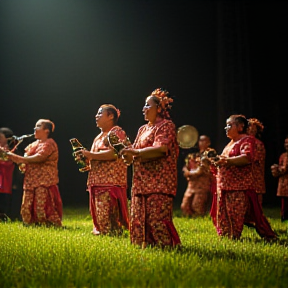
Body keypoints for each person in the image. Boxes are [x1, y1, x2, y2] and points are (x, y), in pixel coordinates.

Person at [121, 88, 181, 249]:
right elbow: (133, 152)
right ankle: (144, 247)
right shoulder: (143, 129)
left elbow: (161, 149)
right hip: (141, 182)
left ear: (159, 109)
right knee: (139, 217)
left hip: (159, 180)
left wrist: (135, 152)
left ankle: (167, 247)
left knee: (156, 218)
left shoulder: (166, 126)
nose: (143, 109)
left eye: (148, 105)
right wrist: (126, 154)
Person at [213, 114, 277, 241]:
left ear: (241, 127)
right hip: (225, 186)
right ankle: (226, 240)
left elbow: (246, 158)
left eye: (229, 125)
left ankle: (234, 239)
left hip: (238, 187)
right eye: (226, 125)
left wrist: (227, 161)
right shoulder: (230, 143)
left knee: (235, 214)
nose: (226, 128)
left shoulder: (247, 140)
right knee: (224, 215)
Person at [79, 104, 129, 236]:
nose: (96, 116)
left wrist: (90, 155)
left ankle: (113, 234)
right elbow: (95, 157)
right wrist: (86, 158)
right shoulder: (99, 136)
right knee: (99, 217)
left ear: (111, 116)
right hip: (97, 180)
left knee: (109, 218)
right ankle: (104, 233)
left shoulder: (116, 132)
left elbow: (114, 154)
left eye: (100, 113)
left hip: (110, 181)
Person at [2, 119, 63, 227]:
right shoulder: (33, 144)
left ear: (46, 131)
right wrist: (6, 154)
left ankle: (49, 225)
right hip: (30, 181)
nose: (35, 129)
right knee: (26, 207)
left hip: (44, 181)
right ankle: (32, 225)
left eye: (38, 126)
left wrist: (18, 158)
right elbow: (21, 159)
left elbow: (39, 158)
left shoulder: (49, 143)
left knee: (41, 207)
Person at [180, 135, 215, 217]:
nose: (201, 142)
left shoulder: (210, 154)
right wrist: (187, 171)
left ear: (208, 142)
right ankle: (190, 222)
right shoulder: (194, 155)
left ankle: (200, 221)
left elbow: (201, 170)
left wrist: (189, 173)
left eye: (204, 140)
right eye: (200, 140)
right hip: (192, 184)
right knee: (185, 206)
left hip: (203, 184)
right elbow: (185, 167)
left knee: (197, 206)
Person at [247, 118, 266, 207]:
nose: (251, 129)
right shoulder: (242, 142)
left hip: (255, 177)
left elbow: (255, 159)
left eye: (254, 128)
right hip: (245, 178)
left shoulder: (258, 144)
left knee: (256, 203)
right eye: (250, 126)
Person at [271, 135, 288, 222]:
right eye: (285, 143)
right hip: (283, 182)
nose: (286, 144)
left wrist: (278, 168)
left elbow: (284, 168)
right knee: (284, 202)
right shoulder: (283, 155)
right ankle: (284, 217)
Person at [0, 127, 15, 221]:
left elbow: (8, 163)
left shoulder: (12, 151)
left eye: (0, 137)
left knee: (3, 203)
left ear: (8, 139)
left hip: (5, 183)